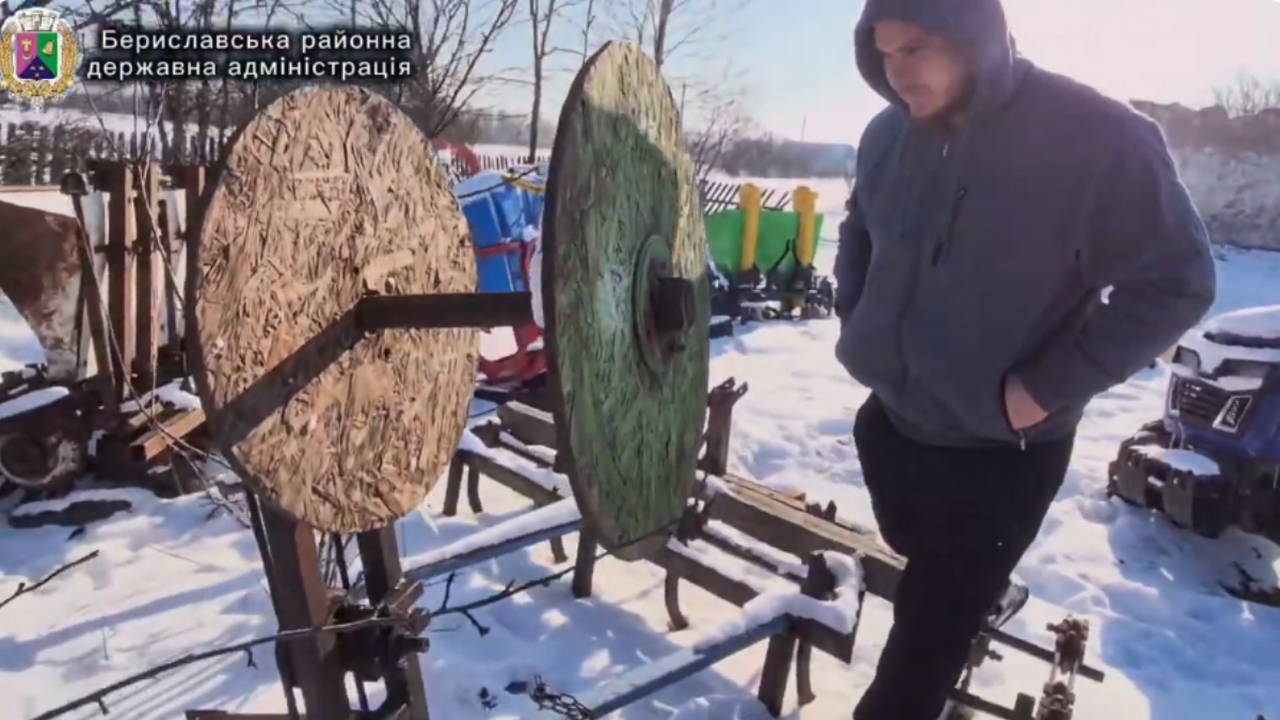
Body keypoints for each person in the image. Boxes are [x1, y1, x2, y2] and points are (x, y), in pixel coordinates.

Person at [833, 0, 1217, 718]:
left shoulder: (1095, 138)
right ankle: (974, 592)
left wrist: (1041, 390)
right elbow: (860, 225)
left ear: (973, 38)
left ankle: (957, 610)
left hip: (999, 453)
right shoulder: (888, 134)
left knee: (912, 668)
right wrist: (857, 314)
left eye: (916, 49)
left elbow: (1178, 282)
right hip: (890, 422)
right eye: (883, 52)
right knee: (925, 562)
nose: (897, 72)